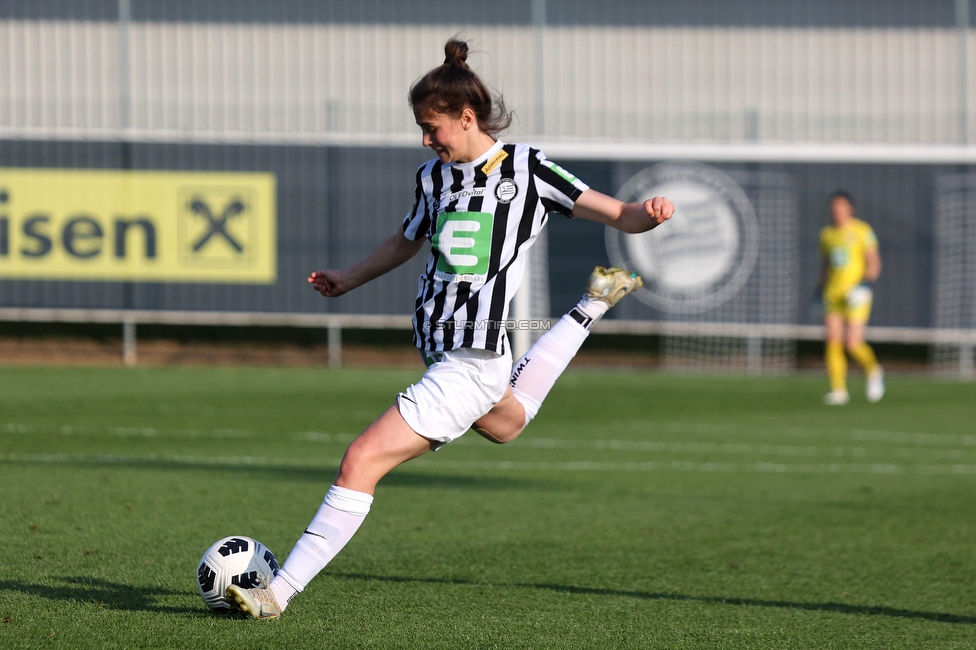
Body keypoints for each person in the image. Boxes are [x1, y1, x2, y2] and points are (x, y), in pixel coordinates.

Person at [225, 38, 674, 619]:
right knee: (507, 425)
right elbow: (404, 242)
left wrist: (651, 214)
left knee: (361, 460)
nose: (426, 139)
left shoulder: (529, 169)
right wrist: (347, 278)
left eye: (431, 127)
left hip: (470, 359)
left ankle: (276, 594)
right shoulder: (433, 178)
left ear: (467, 118)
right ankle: (592, 303)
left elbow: (619, 213)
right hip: (443, 352)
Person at [818, 190, 884, 405]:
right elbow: (827, 266)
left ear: (850, 209)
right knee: (833, 341)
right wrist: (819, 290)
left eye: (841, 207)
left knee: (853, 343)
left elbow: (874, 263)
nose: (837, 212)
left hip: (857, 293)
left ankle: (874, 370)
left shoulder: (862, 231)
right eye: (834, 208)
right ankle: (839, 390)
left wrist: (864, 285)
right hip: (833, 293)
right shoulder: (827, 234)